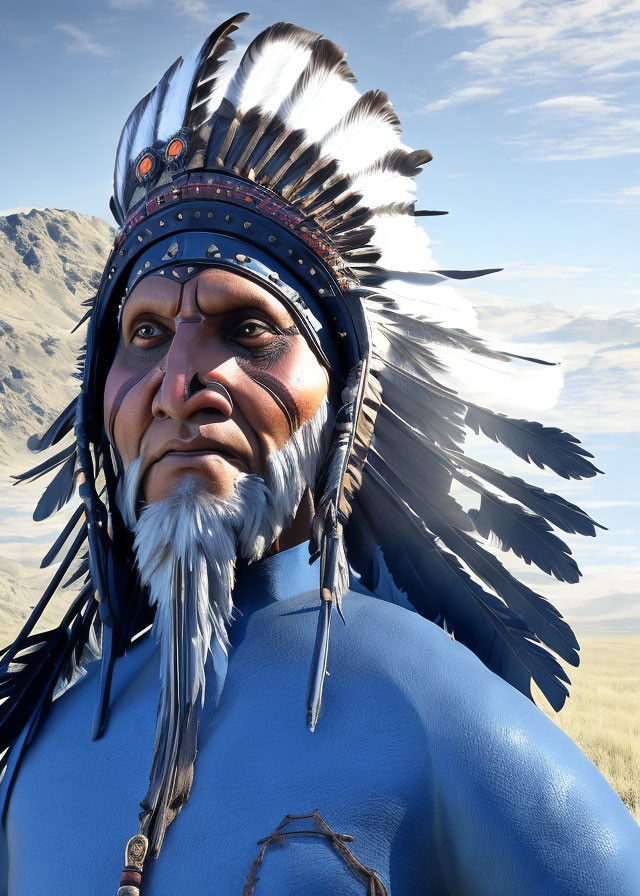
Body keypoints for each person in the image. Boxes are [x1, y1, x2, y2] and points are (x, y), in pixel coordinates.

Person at [1, 14, 638, 895]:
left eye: (250, 330)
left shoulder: (438, 725)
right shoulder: (35, 765)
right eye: (145, 333)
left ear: (347, 399)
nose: (182, 382)